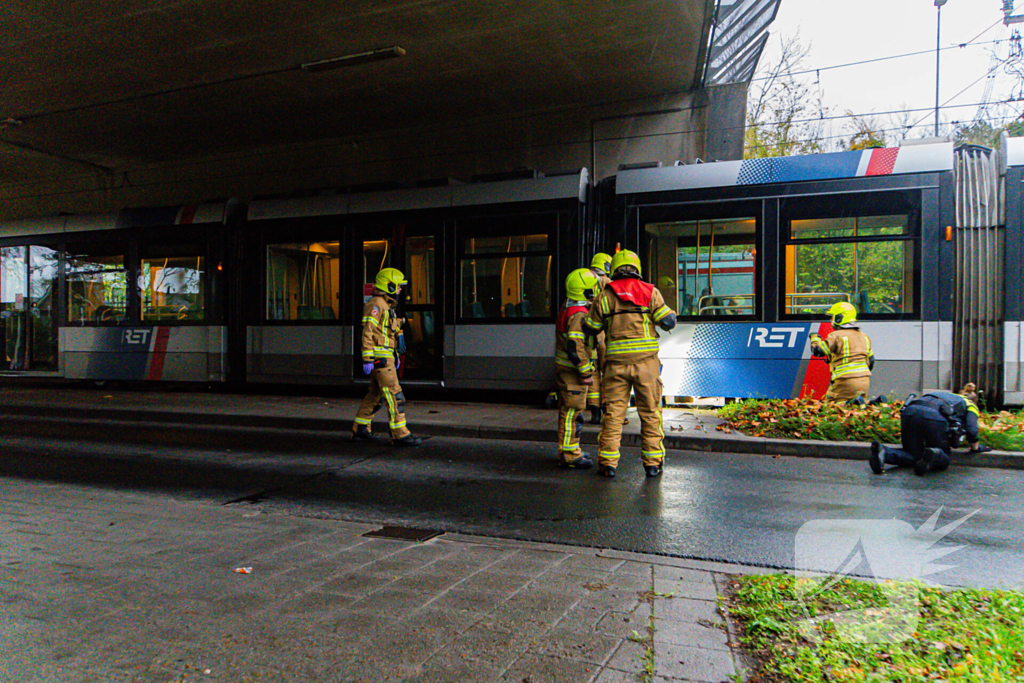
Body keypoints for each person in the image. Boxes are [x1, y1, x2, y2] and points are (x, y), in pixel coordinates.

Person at [583, 249, 677, 479]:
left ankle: (608, 463)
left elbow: (590, 328)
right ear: (637, 269)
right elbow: (668, 322)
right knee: (650, 413)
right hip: (646, 365)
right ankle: (652, 464)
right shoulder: (650, 292)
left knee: (613, 415)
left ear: (614, 269)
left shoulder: (605, 296)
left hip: (615, 366)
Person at [351, 267, 422, 447]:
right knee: (395, 396)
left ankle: (360, 429)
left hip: (385, 357)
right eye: (398, 286)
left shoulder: (385, 305)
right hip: (381, 359)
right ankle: (400, 434)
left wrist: (395, 353)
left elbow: (386, 333)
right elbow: (367, 333)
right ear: (388, 286)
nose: (400, 290)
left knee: (375, 395)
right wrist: (367, 359)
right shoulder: (376, 305)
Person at [870, 390, 992, 476]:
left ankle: (884, 452)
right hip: (934, 418)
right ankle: (936, 453)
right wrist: (975, 447)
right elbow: (972, 430)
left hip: (909, 413)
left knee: (912, 455)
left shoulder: (942, 394)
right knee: (944, 460)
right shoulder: (970, 404)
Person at [554, 268, 601, 469]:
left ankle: (572, 449)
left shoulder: (568, 307)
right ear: (586, 292)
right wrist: (585, 371)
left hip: (567, 371)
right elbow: (575, 346)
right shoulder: (579, 315)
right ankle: (570, 453)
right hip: (573, 373)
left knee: (570, 412)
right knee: (572, 412)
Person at [809, 302, 873, 401]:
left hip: (845, 381)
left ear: (839, 318)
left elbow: (818, 351)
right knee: (858, 408)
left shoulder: (836, 336)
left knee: (831, 406)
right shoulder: (864, 337)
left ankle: (851, 404)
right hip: (865, 381)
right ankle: (871, 403)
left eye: (832, 317)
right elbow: (871, 361)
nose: (831, 320)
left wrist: (815, 339)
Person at [585, 252, 613, 425]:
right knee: (609, 374)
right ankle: (609, 411)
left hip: (588, 333)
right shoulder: (609, 283)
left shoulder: (584, 279)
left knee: (593, 373)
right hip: (605, 334)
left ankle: (595, 412)